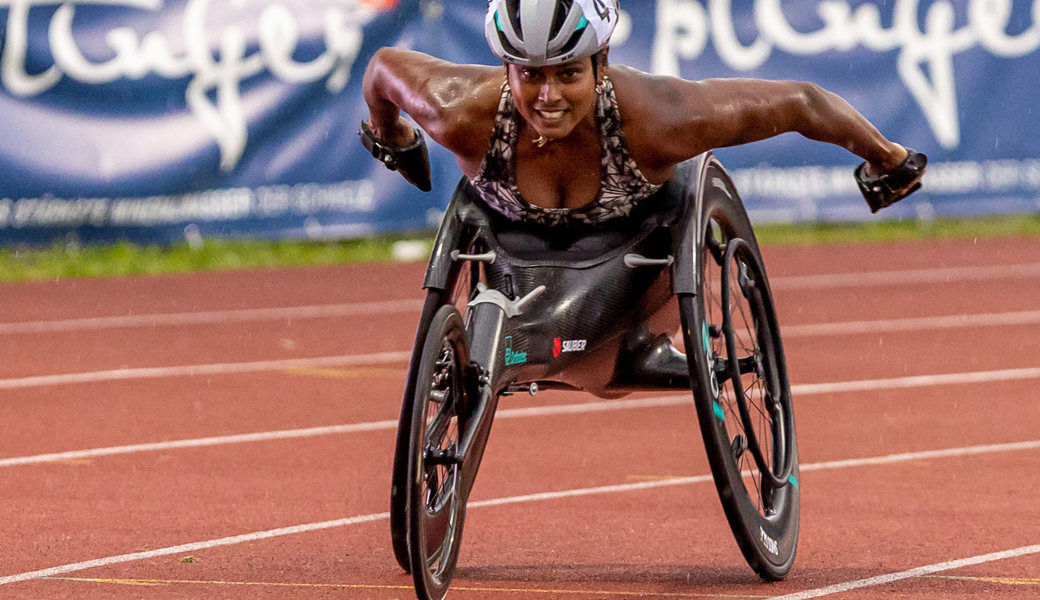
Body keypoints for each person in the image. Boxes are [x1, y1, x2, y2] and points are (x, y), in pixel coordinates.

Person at [359, 0, 926, 228]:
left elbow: (801, 102)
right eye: (530, 75)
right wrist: (396, 137)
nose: (549, 96)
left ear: (601, 63)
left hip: (633, 261)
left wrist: (888, 159)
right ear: (506, 68)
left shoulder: (657, 120)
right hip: (511, 256)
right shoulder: (459, 113)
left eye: (569, 73)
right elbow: (383, 68)